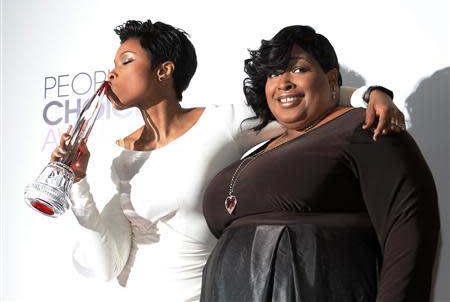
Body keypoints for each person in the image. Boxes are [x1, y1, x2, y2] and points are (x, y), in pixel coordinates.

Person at [50, 20, 405, 301]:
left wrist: (369, 94)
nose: (112, 74)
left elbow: (300, 99)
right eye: (113, 64)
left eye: (126, 62)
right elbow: (105, 265)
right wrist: (78, 183)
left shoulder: (221, 123)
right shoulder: (116, 154)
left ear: (164, 71)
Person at [201, 25, 439, 302]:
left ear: (331, 79)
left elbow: (409, 230)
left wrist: (372, 93)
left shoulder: (364, 127)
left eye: (299, 69)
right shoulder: (257, 146)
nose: (284, 82)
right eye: (273, 74)